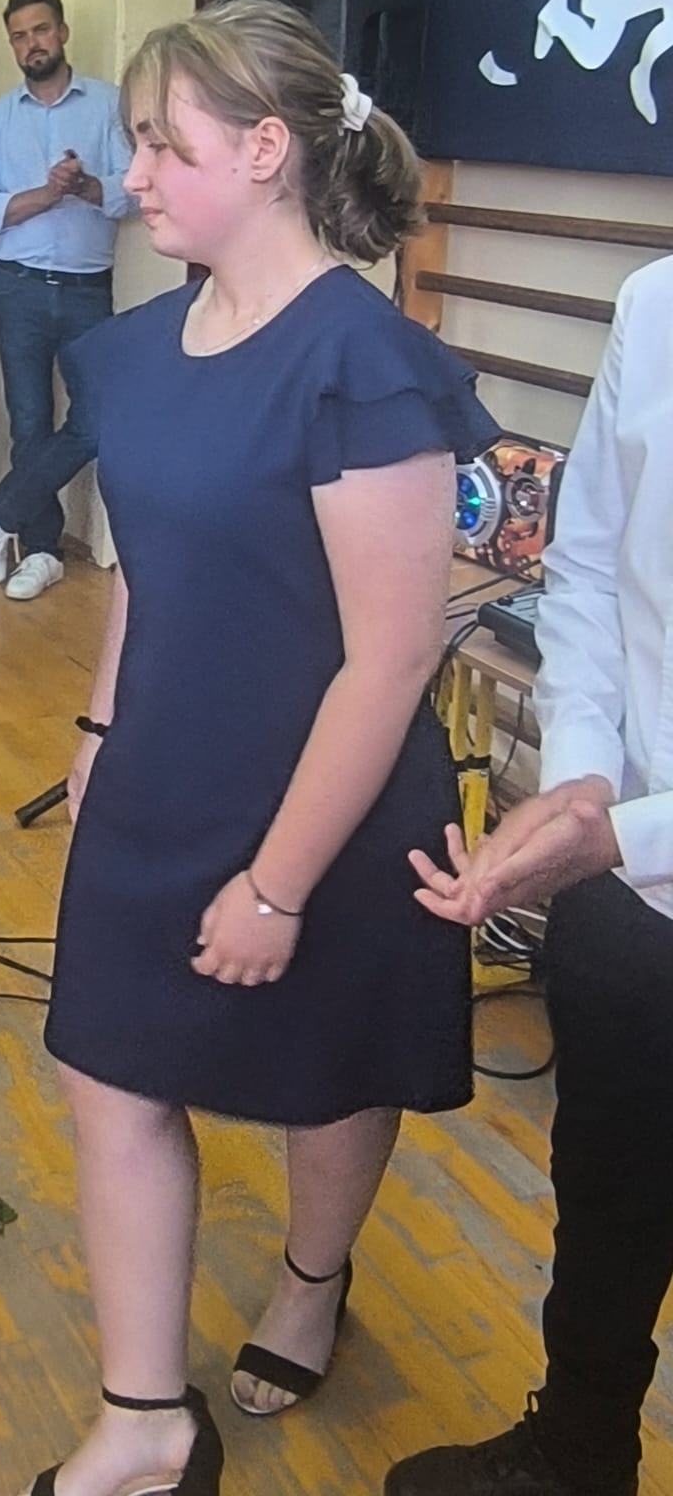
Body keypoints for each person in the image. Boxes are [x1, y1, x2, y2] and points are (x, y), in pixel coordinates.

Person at [29, 0, 497, 1496]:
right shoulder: (138, 349)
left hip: (325, 804)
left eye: (163, 146)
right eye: (135, 144)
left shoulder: (361, 360)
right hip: (159, 771)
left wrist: (278, 884)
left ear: (267, 150)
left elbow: (390, 654)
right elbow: (144, 563)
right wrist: (100, 723)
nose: (134, 175)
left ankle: (312, 1277)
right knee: (108, 1072)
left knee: (325, 1077)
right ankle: (145, 1419)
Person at [387, 254, 673, 1496]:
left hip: (633, 848)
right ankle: (578, 1451)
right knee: (608, 1190)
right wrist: (585, 776)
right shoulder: (657, 305)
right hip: (628, 890)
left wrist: (625, 830)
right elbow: (593, 568)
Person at [0, 0, 132, 601]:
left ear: (62, 32)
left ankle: (0, 507)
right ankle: (41, 552)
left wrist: (86, 186)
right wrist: (48, 193)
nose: (31, 43)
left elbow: (135, 187)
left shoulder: (108, 104)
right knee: (30, 423)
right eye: (19, 35)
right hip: (19, 287)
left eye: (40, 30)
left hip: (89, 289)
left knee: (98, 419)